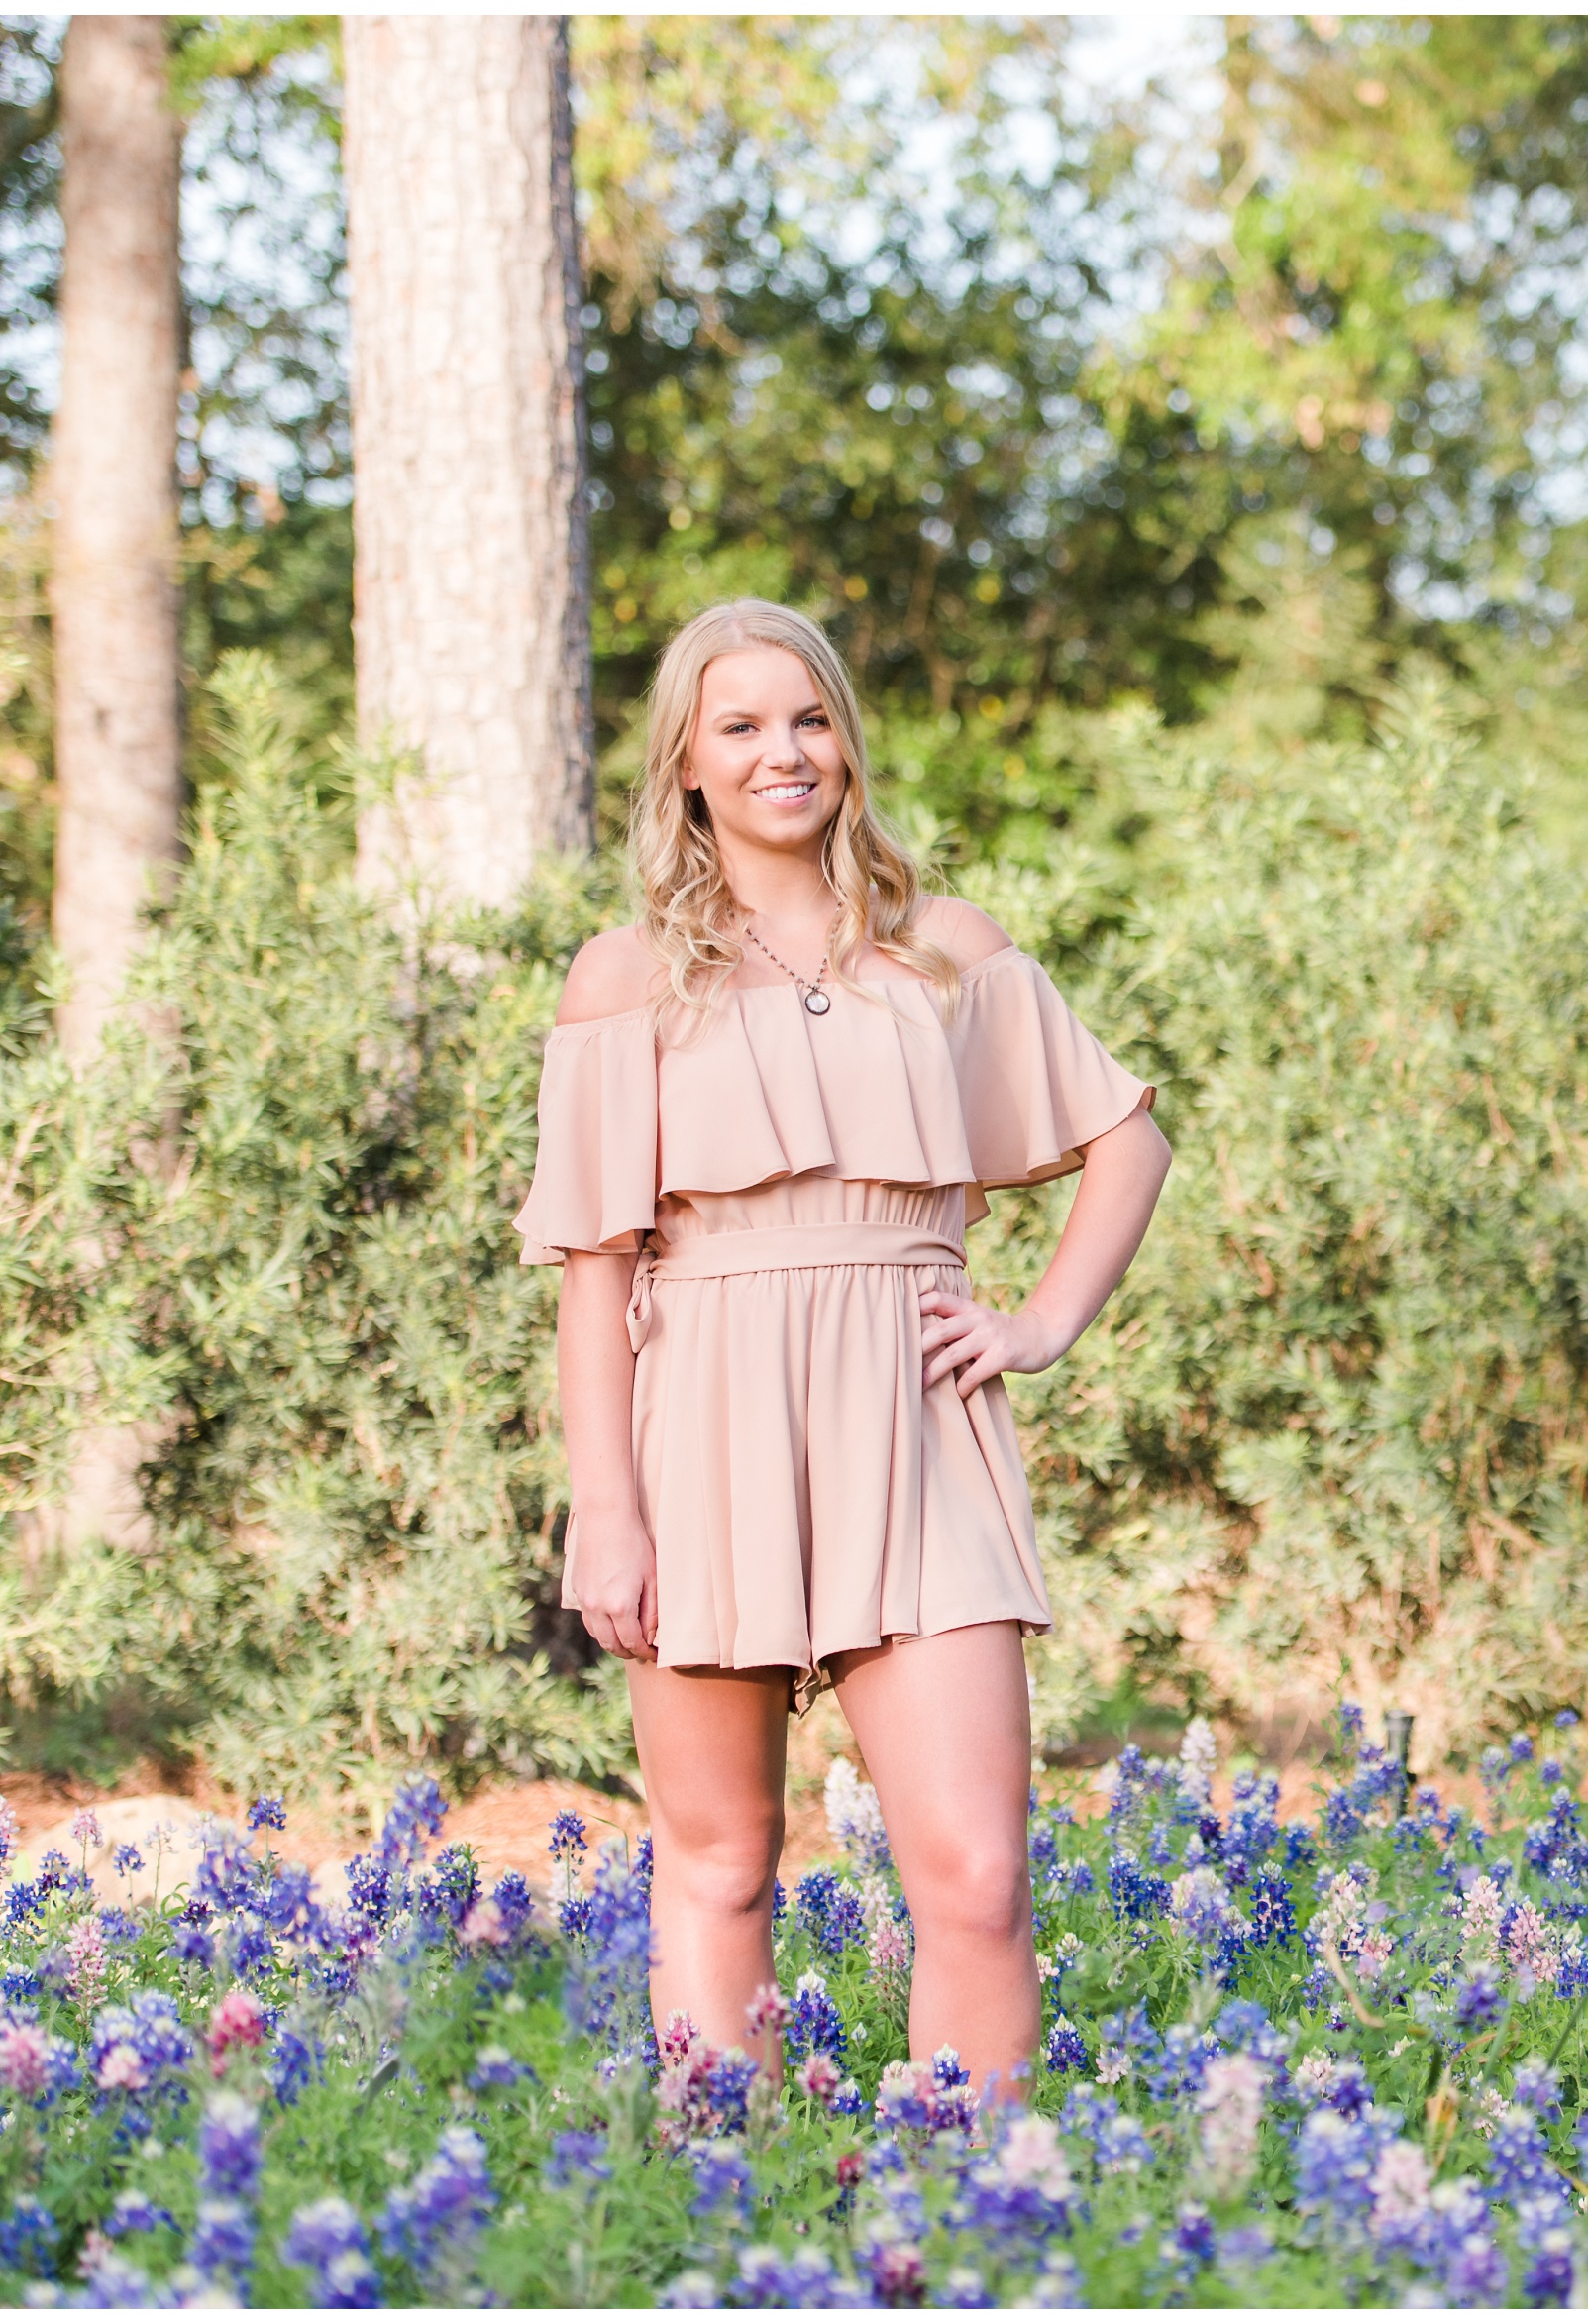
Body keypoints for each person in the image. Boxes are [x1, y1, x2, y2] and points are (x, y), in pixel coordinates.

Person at [514, 597, 1168, 2115]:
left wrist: (1039, 1321)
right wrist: (602, 1507)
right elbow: (595, 1269)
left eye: (807, 719)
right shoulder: (624, 979)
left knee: (977, 1868)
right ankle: (723, 2194)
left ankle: (978, 2218)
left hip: (918, 1420)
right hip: (705, 1429)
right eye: (738, 726)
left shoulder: (945, 950)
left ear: (847, 745)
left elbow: (1125, 1144)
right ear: (687, 762)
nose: (781, 752)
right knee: (723, 1853)